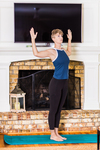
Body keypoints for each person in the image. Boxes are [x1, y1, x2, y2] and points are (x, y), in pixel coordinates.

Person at [30, 28, 72, 141]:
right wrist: (33, 39)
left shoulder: (63, 51)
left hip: (64, 82)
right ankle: (52, 134)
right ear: (53, 38)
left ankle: (57, 134)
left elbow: (69, 52)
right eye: (58, 36)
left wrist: (70, 40)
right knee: (53, 109)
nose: (61, 38)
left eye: (61, 36)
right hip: (56, 83)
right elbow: (36, 53)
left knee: (59, 109)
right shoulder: (52, 51)